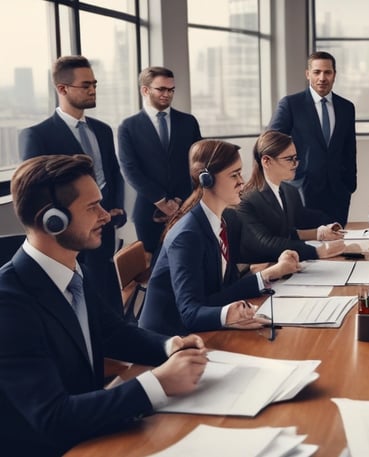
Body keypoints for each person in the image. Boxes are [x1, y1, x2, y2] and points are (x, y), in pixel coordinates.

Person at [0, 155, 208, 456]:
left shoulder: (72, 270)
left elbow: (112, 333)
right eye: (91, 207)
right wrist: (158, 383)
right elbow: (53, 417)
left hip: (97, 432)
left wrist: (170, 346)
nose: (105, 215)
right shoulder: (9, 303)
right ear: (52, 220)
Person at [139, 139, 301, 336]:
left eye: (240, 172)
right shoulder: (187, 235)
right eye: (234, 175)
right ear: (207, 180)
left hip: (203, 329)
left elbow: (222, 291)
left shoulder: (226, 221)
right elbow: (190, 312)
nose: (242, 181)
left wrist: (266, 275)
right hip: (170, 339)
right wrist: (230, 316)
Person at [18, 55, 125, 315]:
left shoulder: (102, 130)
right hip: (67, 234)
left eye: (95, 84)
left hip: (104, 228)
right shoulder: (37, 135)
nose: (93, 90)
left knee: (109, 306)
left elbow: (113, 173)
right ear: (62, 89)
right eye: (85, 85)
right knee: (75, 307)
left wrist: (116, 210)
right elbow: (37, 192)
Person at [118, 66, 202, 255]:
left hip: (186, 206)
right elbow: (129, 169)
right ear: (145, 90)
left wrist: (182, 199)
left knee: (187, 259)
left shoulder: (188, 122)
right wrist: (161, 200)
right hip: (149, 211)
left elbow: (197, 162)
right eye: (161, 89)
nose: (167, 94)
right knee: (155, 268)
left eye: (171, 89)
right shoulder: (128, 127)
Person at [229, 130, 345, 262]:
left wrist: (325, 229)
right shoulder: (246, 200)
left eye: (295, 158)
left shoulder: (289, 191)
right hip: (263, 271)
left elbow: (293, 226)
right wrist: (316, 251)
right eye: (289, 159)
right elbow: (265, 243)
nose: (295, 164)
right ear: (266, 161)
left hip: (287, 264)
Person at [268, 51, 357, 225]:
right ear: (308, 74)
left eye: (327, 72)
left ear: (334, 75)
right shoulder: (291, 105)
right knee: (306, 246)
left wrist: (349, 185)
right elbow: (270, 142)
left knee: (337, 243)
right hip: (300, 190)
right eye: (317, 72)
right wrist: (288, 179)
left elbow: (349, 148)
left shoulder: (347, 107)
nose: (322, 77)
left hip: (338, 193)